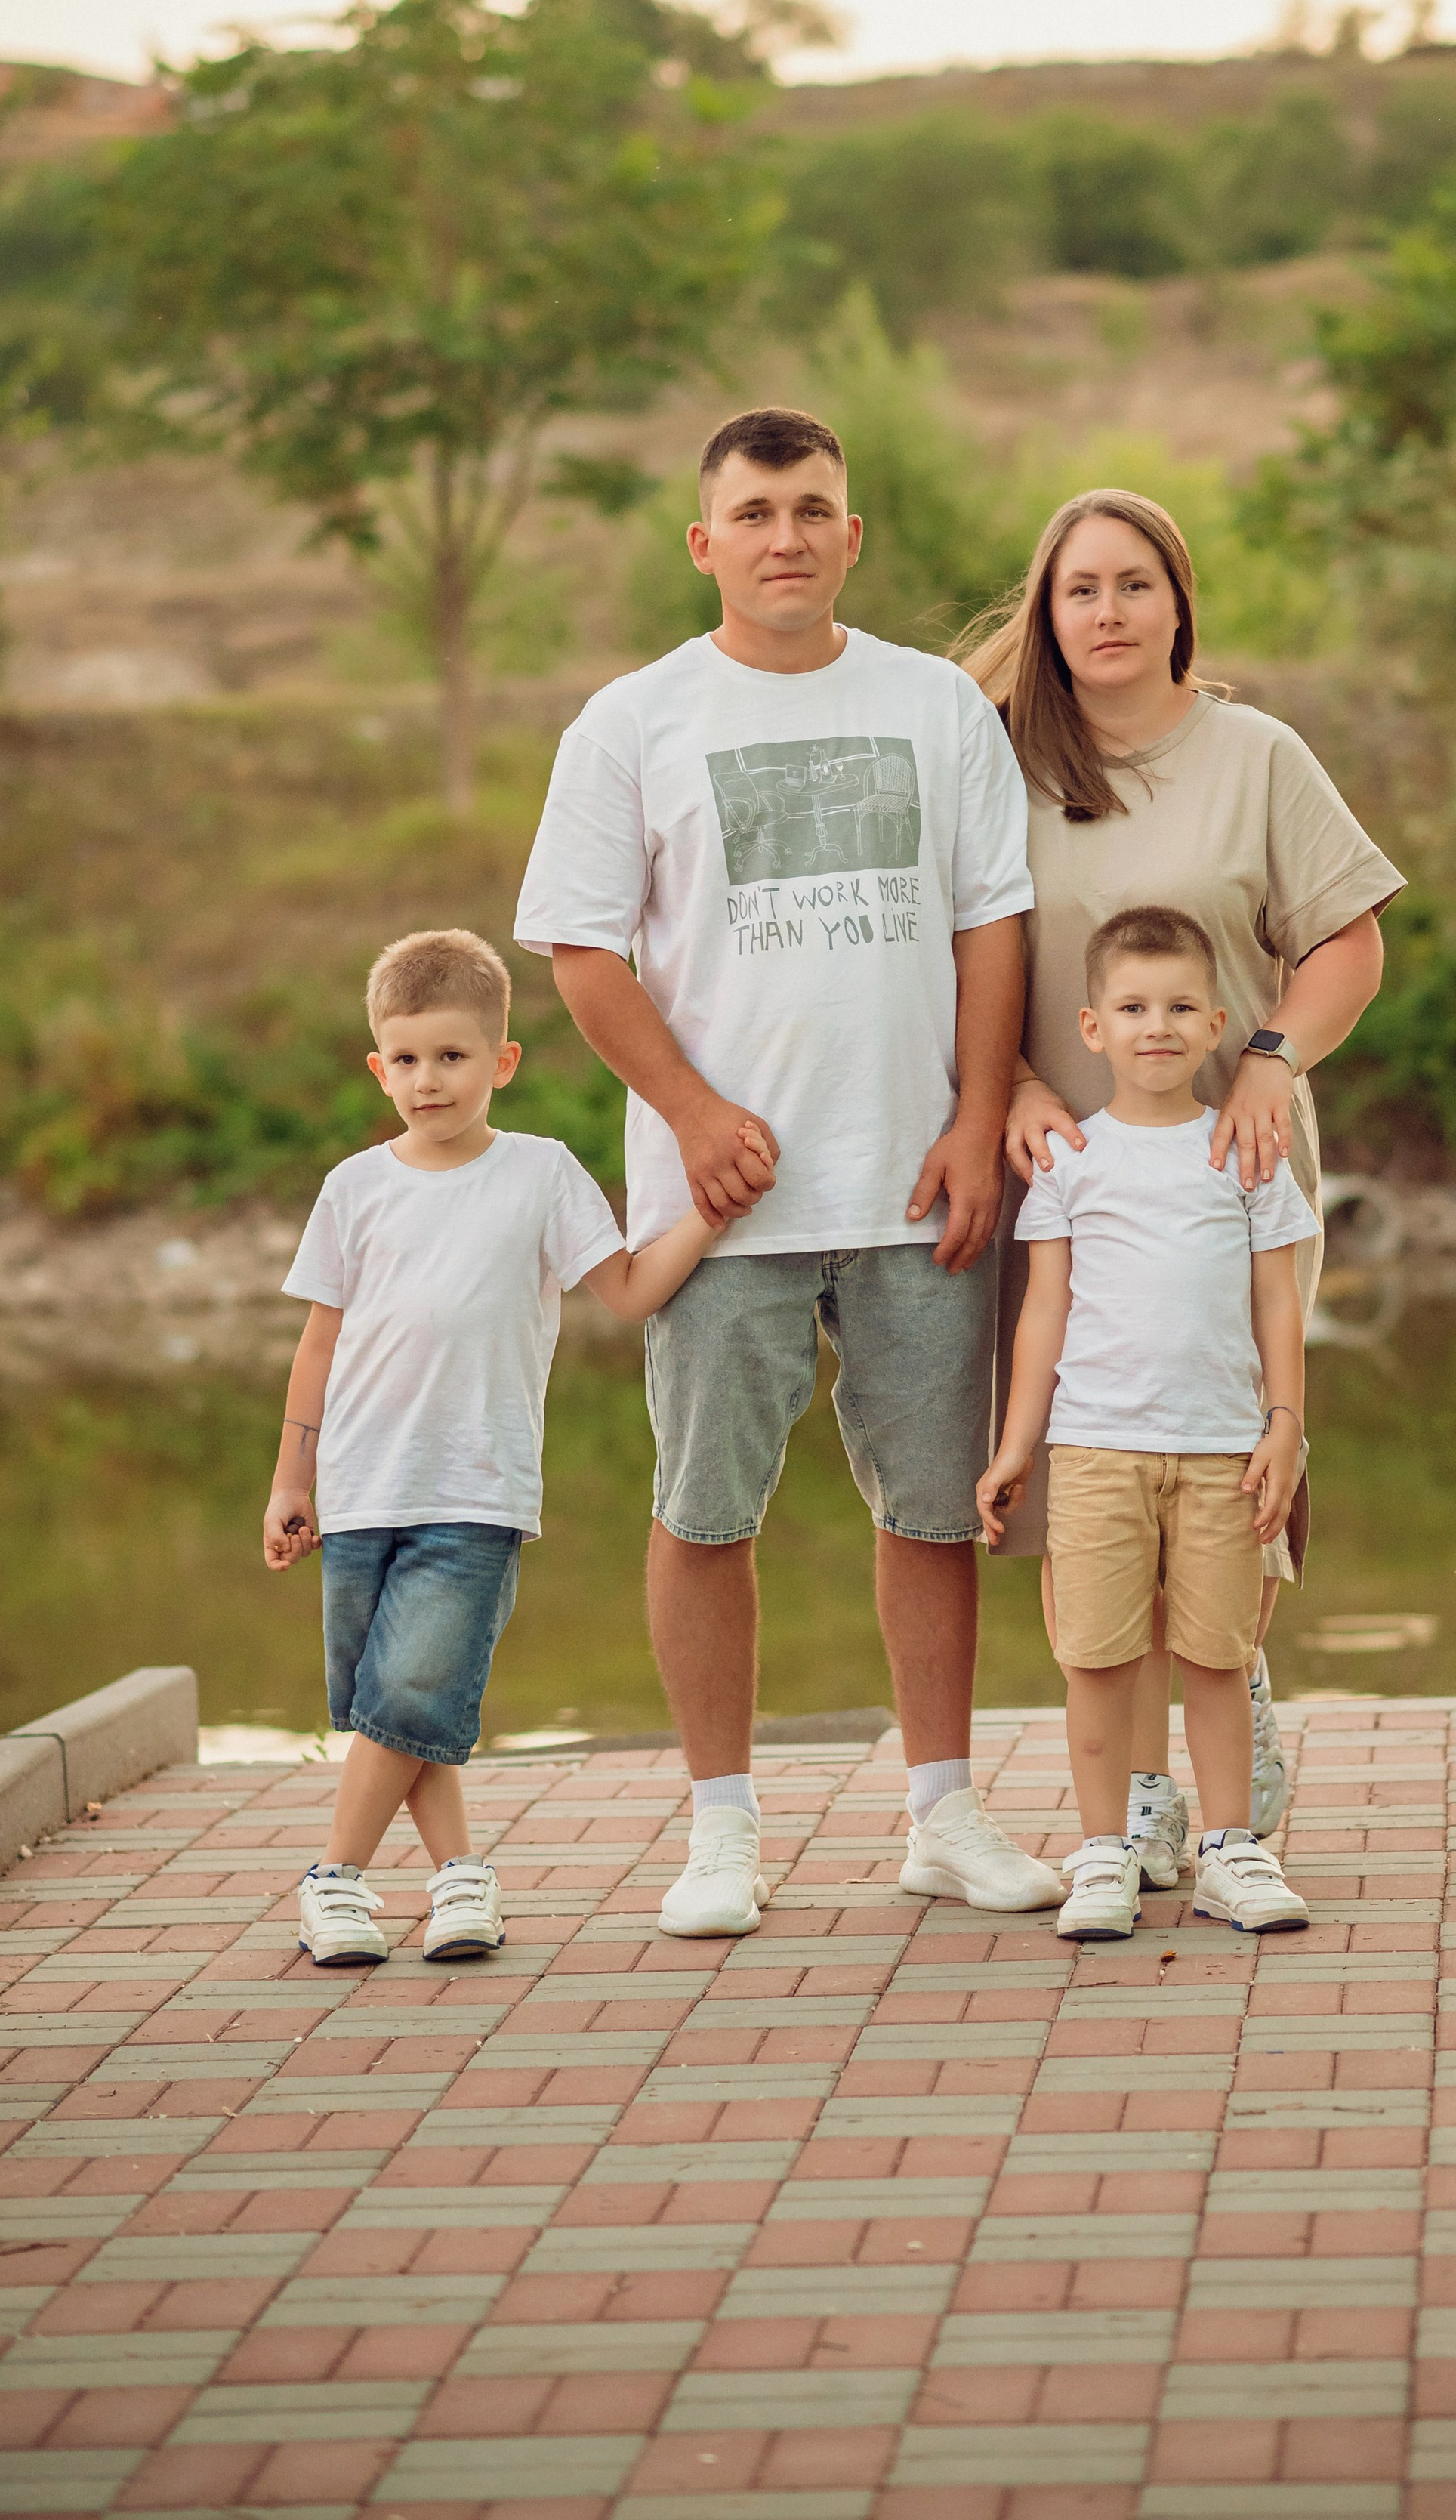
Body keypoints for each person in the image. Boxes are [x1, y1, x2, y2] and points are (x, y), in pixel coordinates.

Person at [514, 408, 1063, 1938]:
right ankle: (720, 1833)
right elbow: (581, 951)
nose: (786, 537)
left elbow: (993, 922)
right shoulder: (631, 722)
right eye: (754, 513)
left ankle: (943, 1813)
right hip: (720, 1210)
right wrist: (692, 1116)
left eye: (813, 509)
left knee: (934, 1510)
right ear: (705, 543)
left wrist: (975, 1117)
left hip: (913, 1184)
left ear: (851, 535)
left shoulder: (934, 704)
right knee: (705, 1511)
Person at [961, 487, 1402, 1876]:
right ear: (1047, 613)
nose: (1109, 611)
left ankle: (1223, 1707)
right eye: (1081, 588)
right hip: (1065, 1180)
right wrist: (1012, 1083)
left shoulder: (1256, 754)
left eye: (1135, 584)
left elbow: (1347, 945)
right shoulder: (994, 763)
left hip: (1231, 1166)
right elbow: (950, 957)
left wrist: (1273, 1054)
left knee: (1226, 1458)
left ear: (1178, 603)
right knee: (1091, 1472)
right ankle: (1144, 1789)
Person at [264, 928, 739, 1967]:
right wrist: (293, 1475)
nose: (427, 1080)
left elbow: (626, 1291)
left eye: (452, 1055)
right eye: (406, 1059)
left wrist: (709, 1216)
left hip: (475, 1489)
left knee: (411, 1689)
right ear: (377, 1067)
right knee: (399, 1704)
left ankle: (333, 1879)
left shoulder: (540, 1175)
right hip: (359, 1487)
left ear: (503, 1061)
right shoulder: (354, 1188)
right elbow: (320, 1340)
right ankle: (459, 1877)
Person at [979, 904, 1317, 1939]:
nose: (1156, 1027)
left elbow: (1277, 1302)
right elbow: (1044, 1312)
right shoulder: (1071, 1161)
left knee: (1217, 1658)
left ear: (1216, 1025)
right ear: (1092, 1028)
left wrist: (1285, 1424)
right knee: (1097, 1661)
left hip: (1223, 1452)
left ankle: (1231, 1852)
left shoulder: (1245, 1153)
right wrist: (1015, 1446)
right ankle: (1104, 1853)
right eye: (1132, 1008)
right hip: (1095, 1452)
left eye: (1178, 1008)